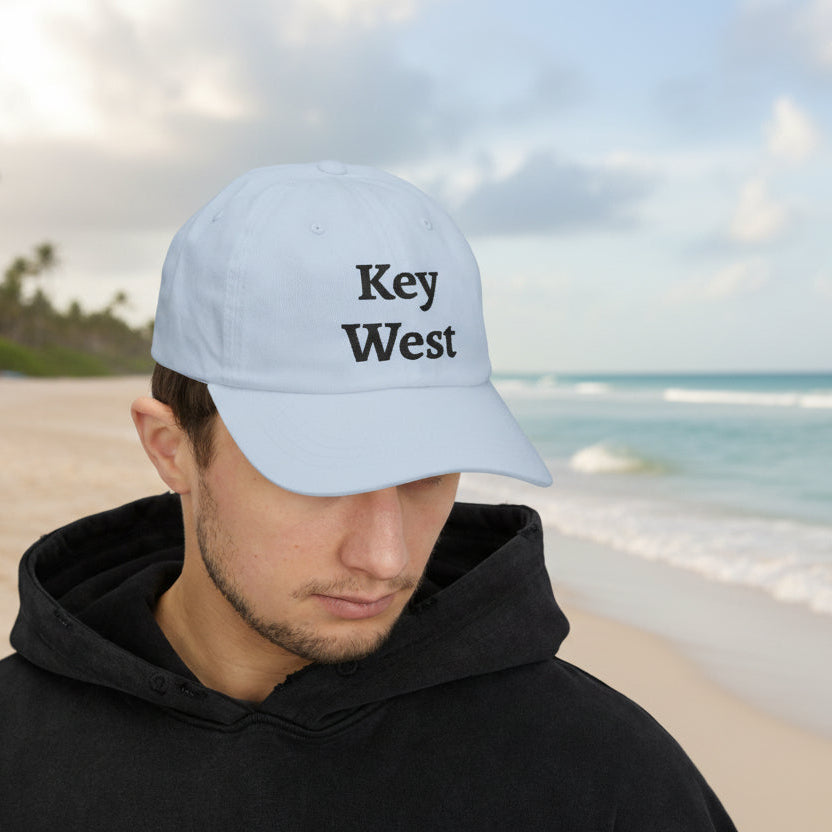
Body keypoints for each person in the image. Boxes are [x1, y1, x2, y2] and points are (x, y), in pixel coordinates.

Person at [0, 161, 736, 830]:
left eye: (427, 470)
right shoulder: (20, 759)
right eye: (320, 472)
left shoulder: (607, 780)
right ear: (172, 449)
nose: (386, 556)